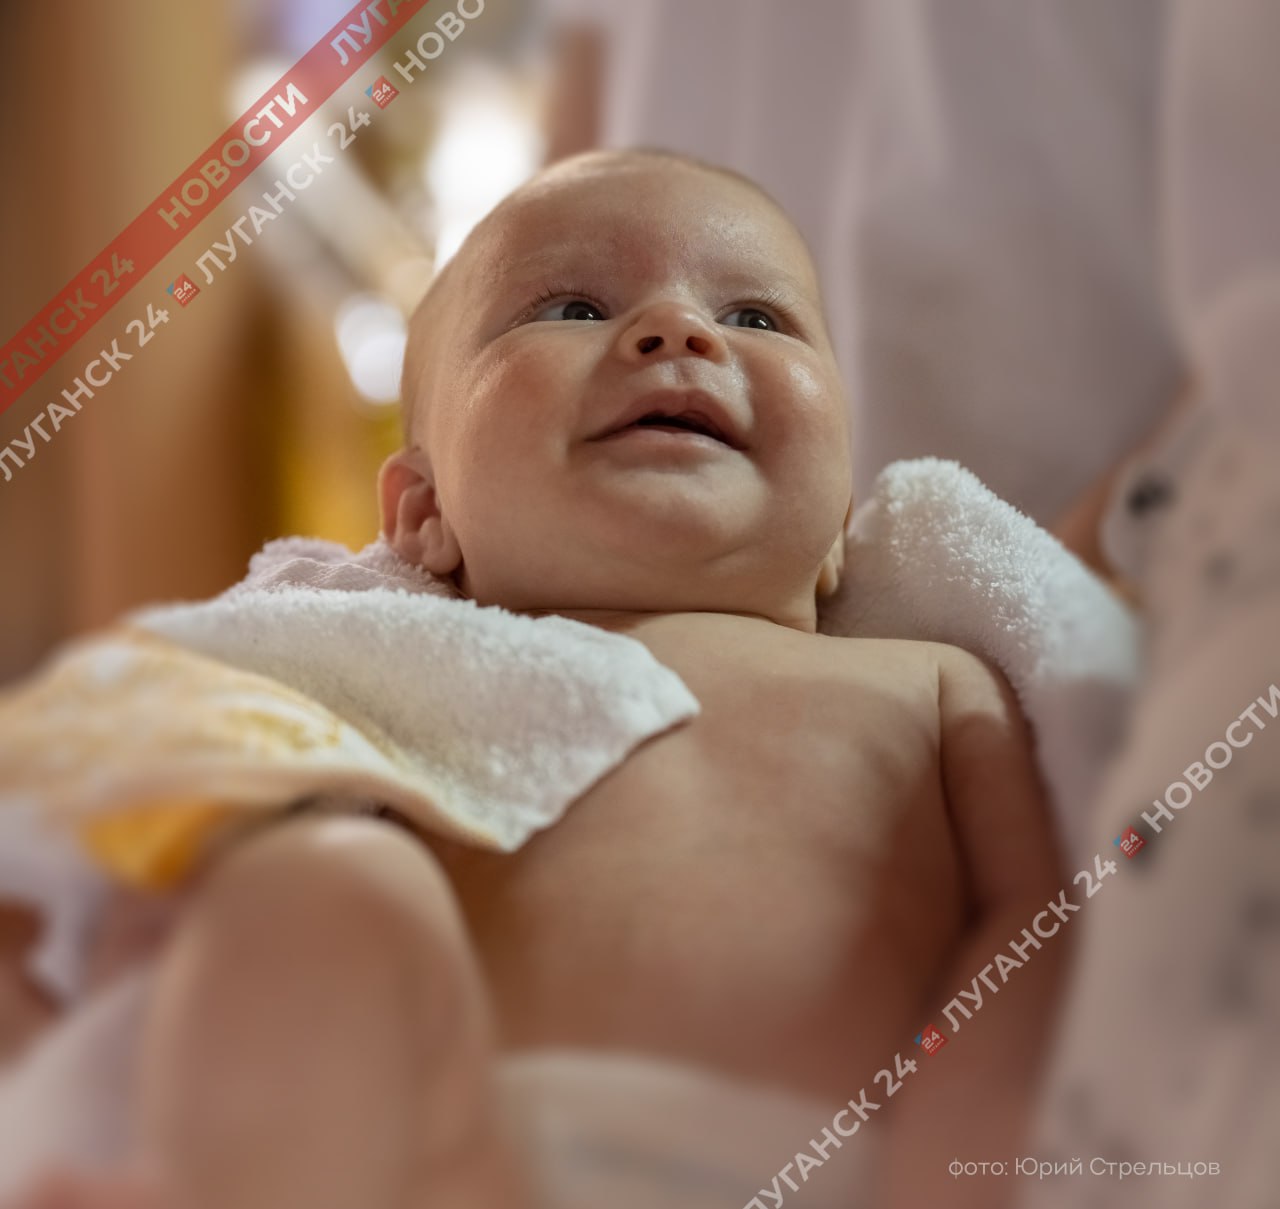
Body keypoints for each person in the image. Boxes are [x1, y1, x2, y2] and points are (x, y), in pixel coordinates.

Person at [5, 149, 1067, 1209]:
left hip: (827, 1164)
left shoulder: (931, 685)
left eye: (755, 318)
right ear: (424, 513)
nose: (676, 330)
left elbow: (1039, 925)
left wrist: (968, 1147)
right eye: (571, 307)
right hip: (451, 1166)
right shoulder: (386, 689)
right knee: (321, 887)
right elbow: (146, 873)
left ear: (838, 523)